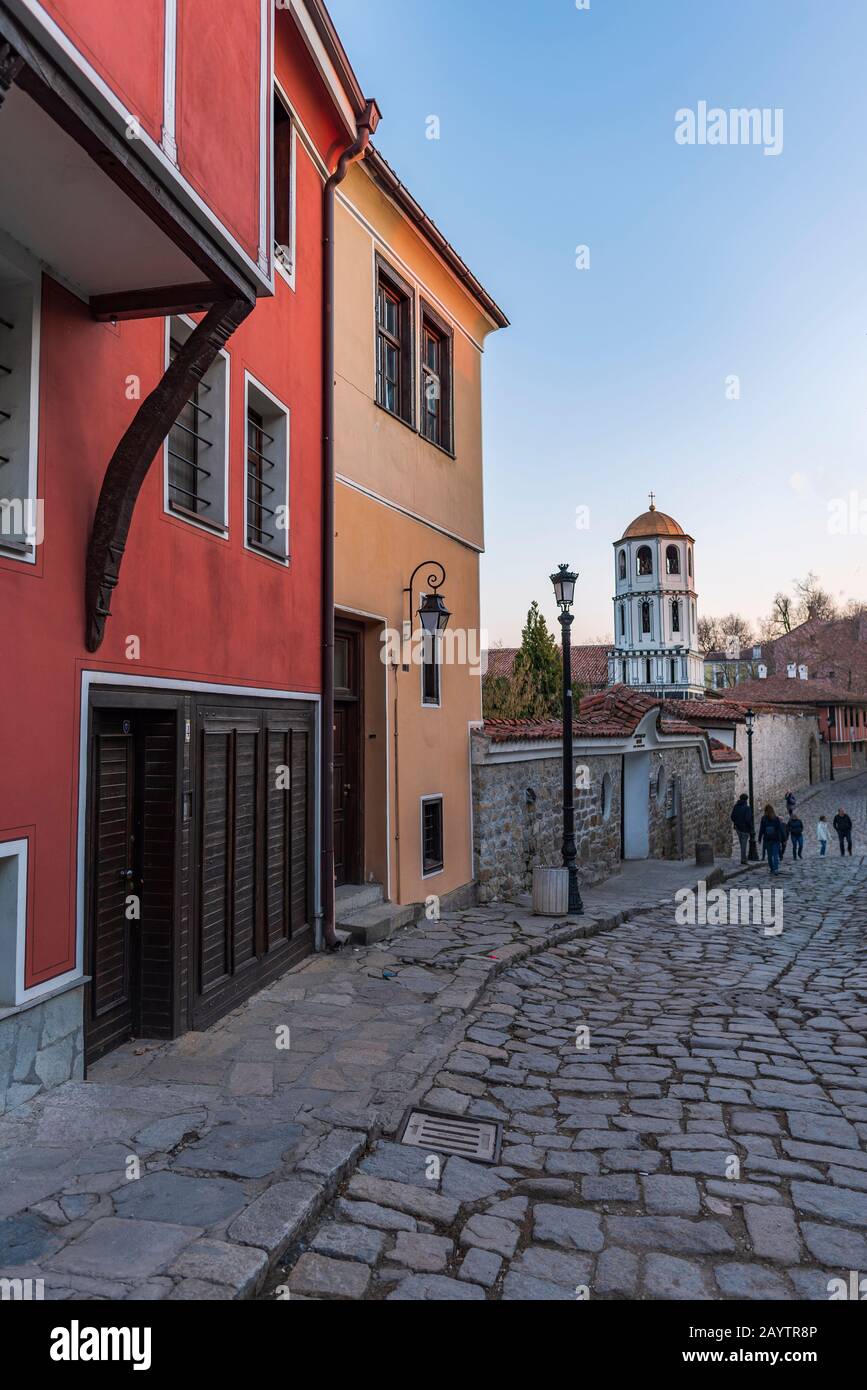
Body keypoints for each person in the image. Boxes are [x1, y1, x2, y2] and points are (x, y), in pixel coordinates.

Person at [758, 803, 785, 874]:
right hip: (775, 839)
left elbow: (762, 829)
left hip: (767, 839)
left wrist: (760, 838)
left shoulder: (763, 818)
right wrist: (783, 839)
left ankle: (772, 869)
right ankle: (776, 869)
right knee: (775, 855)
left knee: (769, 855)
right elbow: (780, 829)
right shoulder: (776, 818)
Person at [731, 793, 754, 865]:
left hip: (738, 828)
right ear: (746, 799)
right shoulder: (747, 808)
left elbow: (732, 816)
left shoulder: (736, 807)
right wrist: (751, 827)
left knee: (742, 844)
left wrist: (736, 822)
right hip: (745, 829)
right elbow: (748, 819)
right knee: (743, 844)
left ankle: (743, 858)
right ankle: (743, 859)